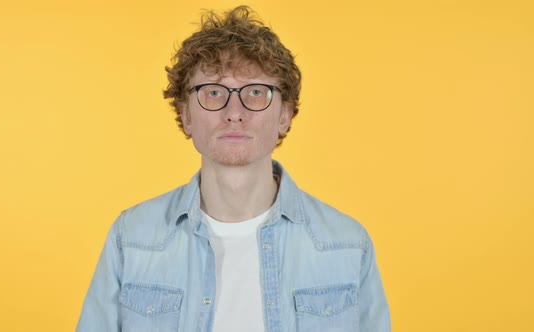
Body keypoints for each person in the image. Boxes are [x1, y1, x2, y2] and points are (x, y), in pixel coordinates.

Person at [76, 6, 390, 332]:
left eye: (256, 92)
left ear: (285, 115)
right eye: (213, 92)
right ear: (185, 115)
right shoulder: (132, 237)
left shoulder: (347, 244)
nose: (234, 112)